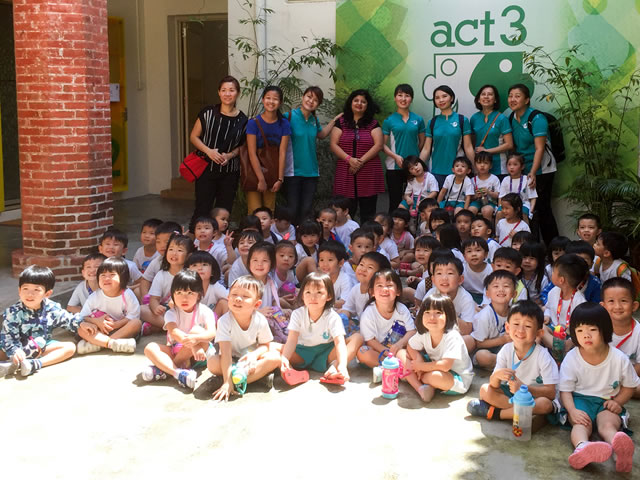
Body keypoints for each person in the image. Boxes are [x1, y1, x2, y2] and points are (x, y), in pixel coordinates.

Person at [559, 303, 639, 472]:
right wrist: (572, 410)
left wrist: (618, 402)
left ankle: (619, 450)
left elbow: (630, 386)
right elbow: (565, 390)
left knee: (608, 425)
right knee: (581, 425)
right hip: (580, 401)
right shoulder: (572, 358)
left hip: (607, 401)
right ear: (573, 333)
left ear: (605, 330)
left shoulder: (619, 358)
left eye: (592, 329)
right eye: (580, 330)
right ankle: (583, 447)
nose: (586, 335)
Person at [468, 300, 558, 422]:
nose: (520, 330)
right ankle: (523, 413)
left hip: (534, 397)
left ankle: (497, 413)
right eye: (516, 324)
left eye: (528, 326)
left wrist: (524, 388)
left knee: (545, 404)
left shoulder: (543, 356)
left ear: (539, 333)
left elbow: (551, 393)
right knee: (485, 389)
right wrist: (496, 376)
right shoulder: (506, 350)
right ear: (507, 327)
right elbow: (494, 385)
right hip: (513, 395)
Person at [0, 266, 85, 377]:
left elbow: (68, 321)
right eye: (25, 289)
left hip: (40, 347)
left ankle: (34, 364)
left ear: (47, 293)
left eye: (36, 290)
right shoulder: (13, 312)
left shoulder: (51, 308)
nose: (30, 294)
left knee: (70, 347)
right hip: (15, 348)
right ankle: (13, 363)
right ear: (19, 291)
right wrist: (15, 351)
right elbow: (8, 337)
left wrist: (82, 323)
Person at [188, 75, 248, 233]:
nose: (227, 94)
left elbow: (243, 146)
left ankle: (220, 241)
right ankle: (197, 240)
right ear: (219, 92)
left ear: (238, 93)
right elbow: (194, 137)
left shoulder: (243, 120)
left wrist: (229, 156)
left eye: (231, 90)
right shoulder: (207, 113)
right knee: (202, 208)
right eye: (224, 90)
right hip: (206, 170)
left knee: (224, 210)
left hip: (229, 172)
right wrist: (209, 151)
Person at [280, 272, 363, 385]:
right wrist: (285, 358)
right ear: (302, 295)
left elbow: (339, 343)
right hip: (302, 353)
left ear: (329, 296)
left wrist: (342, 365)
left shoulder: (333, 316)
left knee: (357, 338)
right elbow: (291, 340)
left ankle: (335, 368)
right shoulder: (297, 314)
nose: (313, 297)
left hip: (326, 354)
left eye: (319, 292)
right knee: (273, 348)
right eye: (308, 292)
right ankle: (290, 371)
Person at [207, 276, 281, 401]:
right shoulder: (224, 321)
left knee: (274, 358)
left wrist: (254, 355)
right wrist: (227, 381)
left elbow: (265, 346)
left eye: (245, 296)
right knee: (212, 363)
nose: (238, 299)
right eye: (234, 294)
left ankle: (234, 381)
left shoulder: (260, 320)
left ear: (257, 304)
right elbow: (225, 354)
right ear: (228, 297)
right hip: (231, 359)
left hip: (250, 360)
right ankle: (251, 379)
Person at [141, 270, 216, 389]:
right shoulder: (171, 313)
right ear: (173, 295)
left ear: (199, 294)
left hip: (199, 354)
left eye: (190, 293)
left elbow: (212, 333)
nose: (184, 298)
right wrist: (191, 344)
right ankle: (178, 373)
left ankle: (164, 369)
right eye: (179, 293)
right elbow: (174, 332)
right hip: (176, 348)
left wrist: (195, 344)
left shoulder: (205, 311)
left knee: (196, 330)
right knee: (150, 348)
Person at [398, 293, 474, 402]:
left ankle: (420, 379)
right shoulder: (425, 332)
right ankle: (420, 388)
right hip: (432, 364)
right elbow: (410, 346)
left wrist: (421, 367)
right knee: (401, 353)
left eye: (438, 313)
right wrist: (418, 359)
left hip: (455, 376)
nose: (432, 317)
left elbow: (445, 366)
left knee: (435, 377)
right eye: (427, 312)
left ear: (449, 316)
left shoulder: (452, 336)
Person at [507, 83, 558, 244]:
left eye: (517, 96)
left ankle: (554, 248)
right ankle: (531, 247)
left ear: (527, 99)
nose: (513, 99)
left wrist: (533, 172)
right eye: (510, 96)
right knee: (527, 210)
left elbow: (539, 148)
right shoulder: (512, 118)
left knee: (542, 209)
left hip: (542, 170)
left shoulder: (537, 118)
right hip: (523, 169)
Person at [285, 86, 342, 225]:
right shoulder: (289, 116)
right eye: (309, 97)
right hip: (292, 171)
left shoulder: (313, 119)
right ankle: (291, 236)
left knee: (306, 209)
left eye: (315, 100)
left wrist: (334, 121)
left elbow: (321, 135)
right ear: (303, 97)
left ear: (318, 104)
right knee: (292, 209)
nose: (311, 101)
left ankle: (304, 235)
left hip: (311, 172)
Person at [330, 89, 385, 223]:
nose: (359, 103)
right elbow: (333, 144)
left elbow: (378, 145)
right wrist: (349, 159)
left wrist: (359, 162)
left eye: (363, 102)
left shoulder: (373, 123)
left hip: (368, 173)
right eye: (356, 100)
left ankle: (367, 235)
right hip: (345, 172)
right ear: (350, 103)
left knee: (368, 213)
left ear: (367, 105)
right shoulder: (341, 122)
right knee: (345, 212)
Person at [76, 257, 142, 354]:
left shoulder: (127, 294)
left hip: (121, 330)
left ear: (123, 277)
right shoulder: (95, 296)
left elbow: (133, 315)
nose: (106, 278)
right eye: (102, 275)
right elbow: (82, 316)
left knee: (136, 323)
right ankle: (112, 344)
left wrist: (116, 324)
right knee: (81, 329)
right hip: (100, 330)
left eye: (112, 275)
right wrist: (97, 321)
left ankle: (98, 344)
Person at [357, 269, 416, 370]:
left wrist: (399, 345)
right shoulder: (369, 313)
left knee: (405, 353)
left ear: (398, 291)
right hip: (378, 352)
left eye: (389, 285)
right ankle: (391, 368)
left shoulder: (401, 309)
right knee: (363, 352)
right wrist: (387, 352)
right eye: (379, 285)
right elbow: (370, 341)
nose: (384, 289)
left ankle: (396, 367)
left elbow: (412, 331)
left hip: (398, 350)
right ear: (372, 292)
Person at [419, 85, 475, 187]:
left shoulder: (462, 120)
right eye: (437, 98)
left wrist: (475, 170)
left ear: (451, 98)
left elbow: (468, 147)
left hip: (458, 172)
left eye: (444, 96)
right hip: (435, 171)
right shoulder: (432, 122)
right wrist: (417, 167)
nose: (441, 100)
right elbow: (426, 149)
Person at [245, 85, 290, 212]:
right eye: (268, 98)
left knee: (269, 212)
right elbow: (252, 153)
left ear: (280, 102)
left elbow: (282, 152)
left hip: (273, 173)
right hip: (254, 173)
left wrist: (280, 179)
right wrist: (261, 179)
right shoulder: (253, 123)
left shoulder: (284, 124)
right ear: (263, 100)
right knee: (254, 212)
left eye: (275, 99)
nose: (271, 101)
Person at [382, 84, 427, 211]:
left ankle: (412, 223)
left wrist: (414, 159)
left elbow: (422, 142)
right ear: (395, 98)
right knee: (395, 202)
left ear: (411, 99)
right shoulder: (389, 120)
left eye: (407, 96)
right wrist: (395, 156)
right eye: (400, 95)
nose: (403, 99)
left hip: (413, 168)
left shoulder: (418, 119)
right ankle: (394, 223)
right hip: (394, 167)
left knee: (414, 200)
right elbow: (382, 145)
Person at [140, 233, 194, 334]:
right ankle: (174, 328)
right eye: (171, 249)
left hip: (185, 311)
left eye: (179, 250)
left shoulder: (190, 275)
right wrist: (156, 308)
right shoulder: (161, 275)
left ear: (188, 256)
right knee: (142, 310)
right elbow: (154, 299)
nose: (174, 253)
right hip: (166, 311)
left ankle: (163, 327)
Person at [464, 270, 517, 367]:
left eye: (506, 286)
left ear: (514, 293)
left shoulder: (516, 313)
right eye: (496, 286)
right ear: (487, 293)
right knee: (483, 356)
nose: (501, 290)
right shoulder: (484, 316)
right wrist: (502, 340)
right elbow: (478, 343)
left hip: (505, 349)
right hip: (485, 350)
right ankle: (508, 363)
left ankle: (508, 362)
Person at [542, 254, 589, 359]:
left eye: (554, 272)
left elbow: (582, 327)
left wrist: (571, 341)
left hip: (570, 335)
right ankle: (559, 348)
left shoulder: (579, 301)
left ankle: (560, 349)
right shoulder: (553, 292)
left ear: (561, 280)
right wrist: (547, 315)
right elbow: (548, 307)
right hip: (554, 329)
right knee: (540, 328)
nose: (552, 274)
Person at [601, 278, 640, 398]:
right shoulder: (597, 328)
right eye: (611, 301)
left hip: (629, 377)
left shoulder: (638, 332)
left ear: (634, 306)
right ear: (603, 306)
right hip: (601, 375)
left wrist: (622, 379)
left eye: (623, 301)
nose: (617, 306)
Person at [470, 84, 514, 177]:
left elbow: (509, 144)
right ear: (478, 99)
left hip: (499, 166)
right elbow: (472, 144)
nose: (486, 96)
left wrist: (487, 151)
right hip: (480, 166)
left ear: (495, 100)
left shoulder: (502, 118)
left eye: (490, 94)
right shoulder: (474, 118)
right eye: (483, 94)